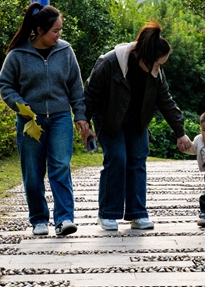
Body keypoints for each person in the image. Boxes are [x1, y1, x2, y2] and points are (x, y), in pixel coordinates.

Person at [79, 21, 192, 231]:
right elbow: (90, 93)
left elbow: (166, 101)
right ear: (144, 58)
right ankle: (108, 214)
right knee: (117, 159)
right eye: (157, 64)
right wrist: (84, 122)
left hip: (137, 120)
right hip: (109, 117)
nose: (159, 68)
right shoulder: (109, 62)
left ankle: (137, 213)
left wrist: (181, 133)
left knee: (138, 161)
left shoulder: (156, 72)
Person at [0, 3, 85, 237]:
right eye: (55, 31)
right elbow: (5, 84)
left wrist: (80, 115)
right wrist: (20, 105)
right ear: (39, 30)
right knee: (33, 172)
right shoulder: (18, 54)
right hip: (30, 121)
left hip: (60, 117)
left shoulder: (65, 51)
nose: (59, 35)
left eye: (60, 30)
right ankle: (38, 219)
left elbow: (76, 87)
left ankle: (64, 219)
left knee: (61, 166)